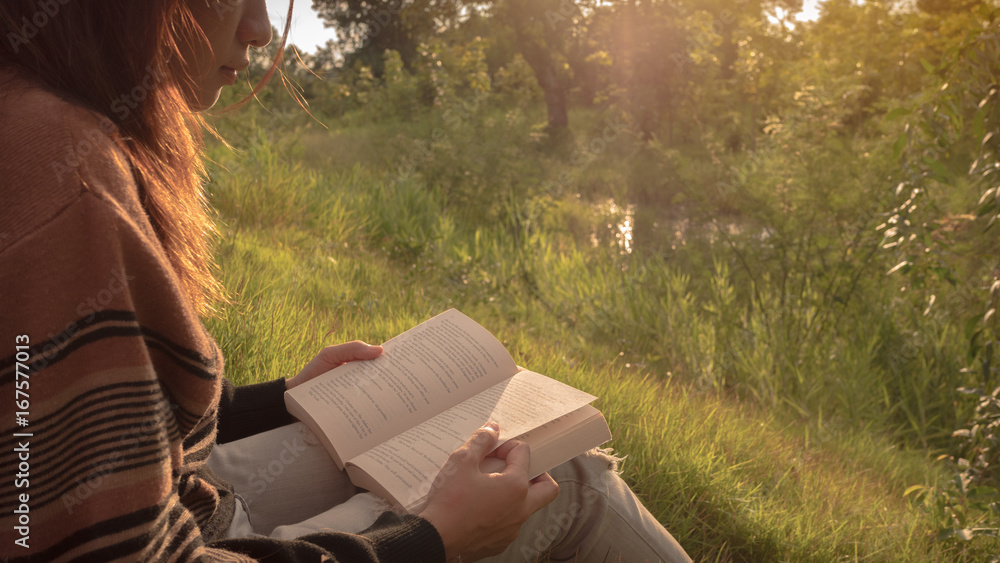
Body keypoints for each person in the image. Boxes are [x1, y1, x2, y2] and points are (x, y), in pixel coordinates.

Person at [0, 1, 692, 561]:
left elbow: (79, 431)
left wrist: (282, 399)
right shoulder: (69, 179)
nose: (260, 28)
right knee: (560, 475)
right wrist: (429, 540)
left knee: (487, 452)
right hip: (192, 534)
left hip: (186, 490)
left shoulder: (30, 110)